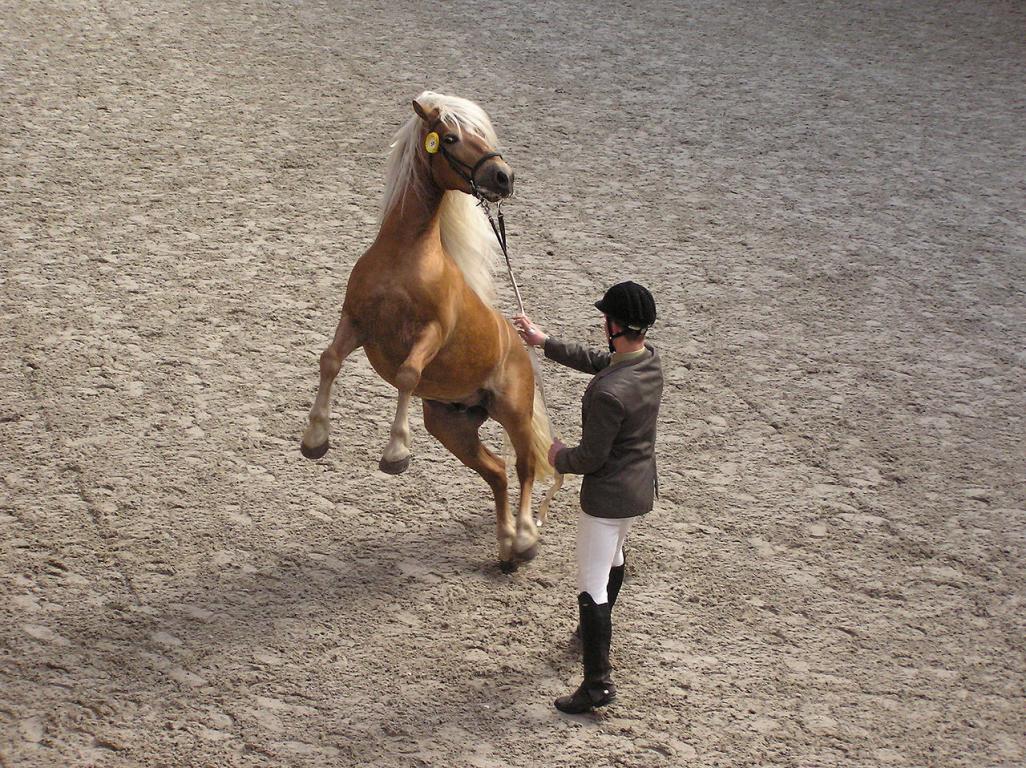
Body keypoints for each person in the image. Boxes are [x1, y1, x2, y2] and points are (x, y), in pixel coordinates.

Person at [513, 281, 663, 714]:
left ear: (614, 325)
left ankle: (598, 684)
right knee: (614, 560)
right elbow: (604, 362)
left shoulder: (609, 394)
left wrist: (558, 456)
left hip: (607, 498)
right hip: (637, 489)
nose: (603, 325)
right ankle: (589, 635)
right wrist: (545, 343)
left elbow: (591, 458)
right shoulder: (649, 361)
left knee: (591, 585)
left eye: (606, 319)